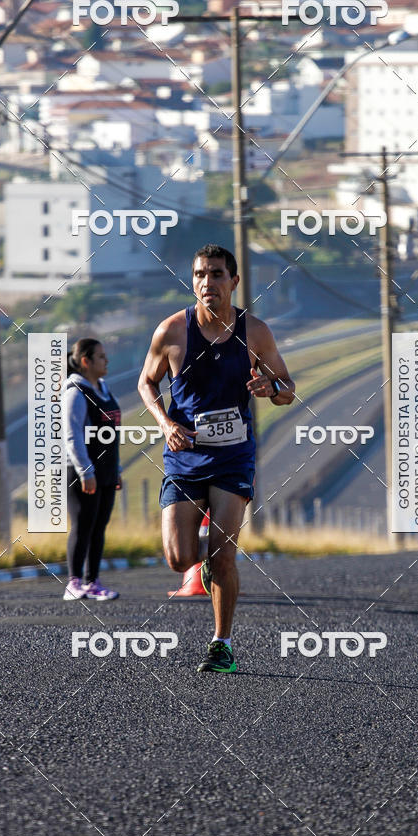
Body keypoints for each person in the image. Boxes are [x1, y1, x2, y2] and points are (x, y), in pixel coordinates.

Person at [138, 244, 295, 672]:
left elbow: (287, 387)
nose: (208, 283)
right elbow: (146, 383)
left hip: (232, 457)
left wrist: (272, 390)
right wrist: (165, 424)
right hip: (185, 457)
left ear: (234, 281)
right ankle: (204, 571)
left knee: (223, 554)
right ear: (193, 280)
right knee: (179, 558)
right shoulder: (171, 331)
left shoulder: (255, 332)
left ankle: (221, 644)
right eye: (200, 274)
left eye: (217, 274)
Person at [64, 338, 121, 601]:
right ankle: (74, 583)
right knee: (83, 526)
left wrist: (116, 468)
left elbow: (111, 433)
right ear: (85, 361)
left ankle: (93, 582)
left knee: (99, 527)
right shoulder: (76, 393)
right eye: (100, 356)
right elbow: (72, 436)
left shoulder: (105, 390)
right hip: (83, 473)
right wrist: (85, 471)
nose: (106, 360)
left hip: (107, 471)